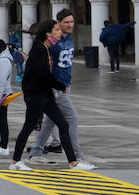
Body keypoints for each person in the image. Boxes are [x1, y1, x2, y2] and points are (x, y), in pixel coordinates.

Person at [10, 19, 95, 171]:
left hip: (45, 95)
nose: (59, 32)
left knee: (63, 124)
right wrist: (60, 85)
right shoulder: (39, 49)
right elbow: (41, 75)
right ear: (48, 34)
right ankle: (15, 162)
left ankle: (73, 162)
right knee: (28, 127)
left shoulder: (45, 48)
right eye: (56, 30)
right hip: (36, 96)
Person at [28, 8, 91, 166]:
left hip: (65, 84)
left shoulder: (69, 37)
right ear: (59, 23)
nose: (70, 25)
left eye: (72, 21)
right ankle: (77, 157)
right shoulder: (53, 42)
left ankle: (36, 152)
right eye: (66, 22)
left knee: (50, 121)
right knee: (72, 118)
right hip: (56, 86)